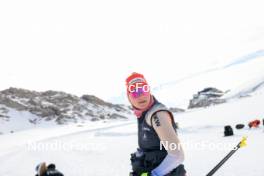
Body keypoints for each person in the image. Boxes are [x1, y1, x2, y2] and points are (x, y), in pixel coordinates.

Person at [126, 73, 186, 176]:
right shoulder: (143, 113)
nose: (141, 95)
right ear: (129, 97)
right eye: (135, 92)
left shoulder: (157, 114)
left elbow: (177, 155)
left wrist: (154, 174)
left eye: (144, 89)